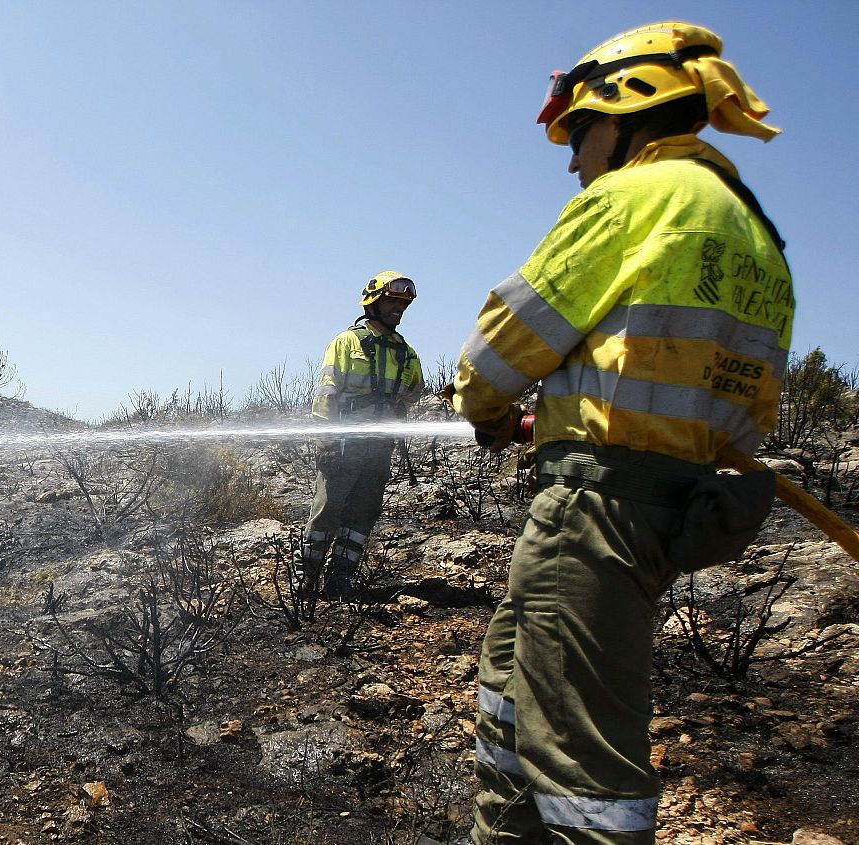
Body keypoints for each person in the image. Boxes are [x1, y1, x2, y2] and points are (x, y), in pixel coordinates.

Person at [449, 22, 793, 845]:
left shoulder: (636, 197)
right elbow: (718, 396)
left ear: (627, 110)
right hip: (671, 507)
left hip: (593, 512)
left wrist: (492, 413)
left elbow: (498, 351)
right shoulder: (756, 232)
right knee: (509, 685)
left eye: (580, 135)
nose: (574, 161)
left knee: (586, 777)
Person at [302, 270, 424, 602]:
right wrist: (325, 440)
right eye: (392, 301)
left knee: (364, 512)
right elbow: (326, 394)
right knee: (327, 509)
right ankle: (306, 581)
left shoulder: (407, 353)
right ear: (373, 302)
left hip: (380, 448)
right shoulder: (346, 342)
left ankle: (340, 579)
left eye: (403, 304)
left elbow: (415, 392)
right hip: (344, 445)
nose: (398, 309)